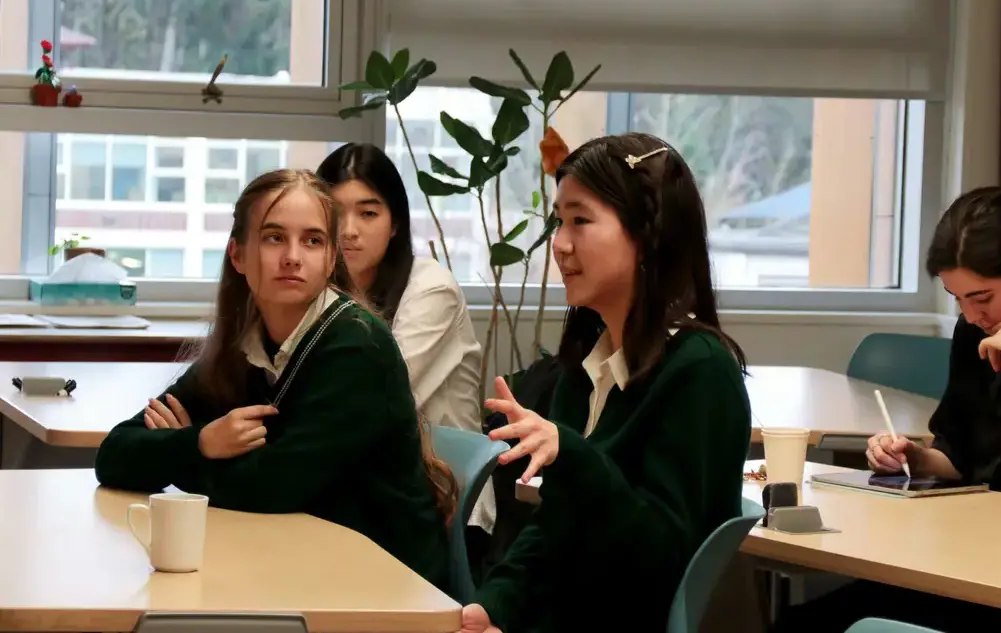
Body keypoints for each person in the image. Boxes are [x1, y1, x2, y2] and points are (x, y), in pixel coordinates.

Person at [774, 186, 1001, 633]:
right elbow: (963, 458)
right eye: (957, 298)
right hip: (979, 558)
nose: (971, 316)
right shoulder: (976, 333)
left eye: (982, 298)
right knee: (805, 624)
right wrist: (914, 458)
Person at [94, 169, 455, 592]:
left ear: (331, 259)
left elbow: (272, 488)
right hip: (295, 564)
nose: (292, 257)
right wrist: (202, 442)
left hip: (385, 585)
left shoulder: (358, 345)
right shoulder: (243, 345)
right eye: (274, 237)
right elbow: (115, 455)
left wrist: (184, 457)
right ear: (238, 255)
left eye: (312, 241)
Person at [458, 133, 752, 633]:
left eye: (580, 220)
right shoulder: (586, 367)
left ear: (646, 234)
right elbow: (553, 531)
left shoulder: (701, 371)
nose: (560, 244)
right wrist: (491, 609)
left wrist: (570, 455)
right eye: (559, 221)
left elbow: (658, 559)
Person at [316, 142, 494, 555]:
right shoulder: (321, 290)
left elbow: (364, 401)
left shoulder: (431, 289)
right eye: (336, 213)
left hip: (442, 508)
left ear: (395, 223)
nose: (349, 230)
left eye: (368, 213)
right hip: (361, 495)